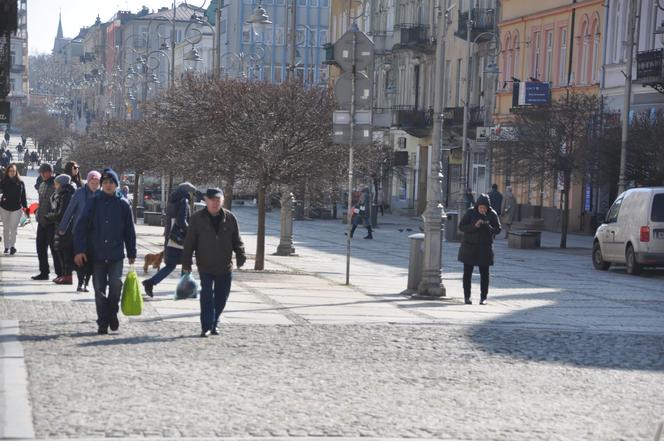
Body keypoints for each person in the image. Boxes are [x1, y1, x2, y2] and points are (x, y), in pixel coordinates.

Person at [74, 168, 136, 335]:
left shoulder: (123, 204)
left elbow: (129, 230)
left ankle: (112, 313)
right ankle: (102, 322)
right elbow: (81, 227)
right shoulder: (94, 202)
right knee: (99, 289)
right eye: (105, 183)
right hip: (97, 254)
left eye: (111, 182)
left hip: (116, 254)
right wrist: (79, 250)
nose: (108, 185)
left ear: (116, 185)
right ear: (102, 185)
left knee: (116, 284)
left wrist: (132, 251)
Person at [182, 187, 246, 338]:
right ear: (206, 201)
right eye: (212, 200)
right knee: (206, 295)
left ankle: (214, 321)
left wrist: (240, 255)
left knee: (221, 296)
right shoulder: (197, 218)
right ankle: (206, 326)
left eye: (218, 200)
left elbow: (237, 239)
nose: (215, 203)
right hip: (205, 264)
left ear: (222, 201)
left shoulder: (230, 218)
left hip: (225, 265)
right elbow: (189, 242)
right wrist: (186, 263)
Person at [142, 182, 197, 298]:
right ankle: (185, 290)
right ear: (186, 192)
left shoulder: (172, 201)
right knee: (186, 263)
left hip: (171, 239)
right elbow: (181, 221)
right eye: (191, 193)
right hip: (181, 239)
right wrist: (189, 231)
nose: (191, 196)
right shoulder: (183, 201)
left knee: (171, 265)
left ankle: (150, 282)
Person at [59, 170, 101, 292]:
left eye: (97, 182)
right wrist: (63, 227)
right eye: (92, 182)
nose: (94, 184)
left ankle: (87, 282)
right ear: (88, 182)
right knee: (80, 256)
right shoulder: (80, 193)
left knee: (91, 258)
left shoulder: (102, 195)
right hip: (79, 231)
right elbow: (70, 210)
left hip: (95, 233)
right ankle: (80, 282)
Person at [457, 194, 501, 305]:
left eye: (484, 208)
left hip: (485, 248)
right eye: (481, 207)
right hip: (469, 247)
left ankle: (483, 297)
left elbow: (498, 229)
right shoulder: (470, 212)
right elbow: (461, 226)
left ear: (488, 207)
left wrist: (487, 225)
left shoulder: (492, 214)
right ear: (477, 206)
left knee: (484, 274)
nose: (482, 209)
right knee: (467, 273)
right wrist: (474, 226)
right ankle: (467, 297)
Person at [32, 163, 62, 280]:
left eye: (45, 172)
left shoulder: (56, 185)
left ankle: (60, 273)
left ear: (51, 172)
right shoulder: (41, 185)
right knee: (40, 248)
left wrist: (52, 217)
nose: (43, 174)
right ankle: (44, 272)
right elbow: (40, 202)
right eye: (41, 172)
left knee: (54, 249)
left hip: (52, 222)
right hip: (42, 221)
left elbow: (58, 205)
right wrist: (37, 214)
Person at [46, 174, 76, 284]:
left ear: (62, 184)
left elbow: (62, 212)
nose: (55, 186)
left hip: (66, 228)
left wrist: (49, 216)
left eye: (57, 184)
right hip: (60, 225)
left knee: (65, 252)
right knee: (61, 251)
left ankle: (67, 275)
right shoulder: (61, 194)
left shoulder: (66, 195)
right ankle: (64, 274)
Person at [0, 163, 28, 255]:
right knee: (6, 228)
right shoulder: (3, 182)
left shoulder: (20, 183)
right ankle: (6, 246)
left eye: (14, 171)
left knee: (14, 228)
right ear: (7, 172)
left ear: (16, 172)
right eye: (10, 171)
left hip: (16, 208)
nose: (12, 173)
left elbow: (23, 196)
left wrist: (25, 208)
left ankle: (12, 246)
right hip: (4, 207)